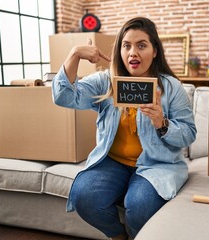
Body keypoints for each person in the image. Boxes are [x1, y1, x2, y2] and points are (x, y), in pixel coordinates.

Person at [52, 17, 196, 240]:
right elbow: (63, 96)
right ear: (120, 50)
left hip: (156, 165)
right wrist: (75, 54)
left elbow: (189, 134)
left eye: (141, 45)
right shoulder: (105, 81)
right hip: (113, 162)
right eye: (126, 46)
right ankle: (118, 236)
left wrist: (162, 123)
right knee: (84, 196)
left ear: (155, 51)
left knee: (140, 206)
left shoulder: (171, 87)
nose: (133, 53)